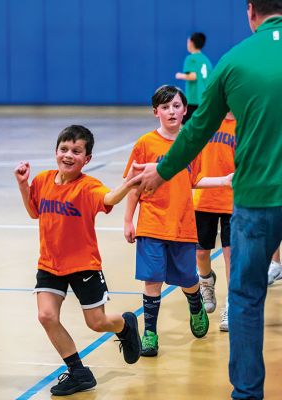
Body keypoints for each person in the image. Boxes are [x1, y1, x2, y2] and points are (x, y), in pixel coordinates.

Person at [134, 1, 282, 399]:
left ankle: (248, 394)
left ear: (251, 11)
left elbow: (197, 129)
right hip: (244, 196)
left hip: (254, 197)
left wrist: (161, 170)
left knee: (248, 296)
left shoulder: (234, 60)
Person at [14, 125, 142, 397]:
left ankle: (124, 324)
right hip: (49, 263)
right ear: (56, 151)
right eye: (64, 149)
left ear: (87, 159)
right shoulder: (43, 180)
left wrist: (128, 184)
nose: (68, 155)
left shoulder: (88, 186)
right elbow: (34, 212)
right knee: (46, 315)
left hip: (84, 265)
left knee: (96, 323)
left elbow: (108, 198)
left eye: (76, 151)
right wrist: (23, 185)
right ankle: (79, 372)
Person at [123, 85, 233, 357]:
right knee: (152, 280)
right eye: (165, 107)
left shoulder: (190, 144)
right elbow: (133, 185)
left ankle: (195, 302)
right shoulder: (145, 144)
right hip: (151, 223)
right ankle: (150, 334)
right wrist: (128, 220)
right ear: (155, 112)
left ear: (185, 110)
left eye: (176, 106)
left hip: (183, 224)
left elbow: (196, 179)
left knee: (186, 278)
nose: (171, 111)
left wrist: (224, 180)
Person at [194, 112, 236, 332]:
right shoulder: (206, 121)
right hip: (204, 197)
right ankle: (206, 281)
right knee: (201, 253)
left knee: (231, 256)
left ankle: (231, 305)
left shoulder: (246, 121)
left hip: (234, 199)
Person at [175, 32, 212, 123]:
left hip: (193, 99)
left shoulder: (191, 58)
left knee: (183, 124)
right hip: (204, 98)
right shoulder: (206, 60)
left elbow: (193, 76)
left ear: (191, 43)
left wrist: (180, 75)